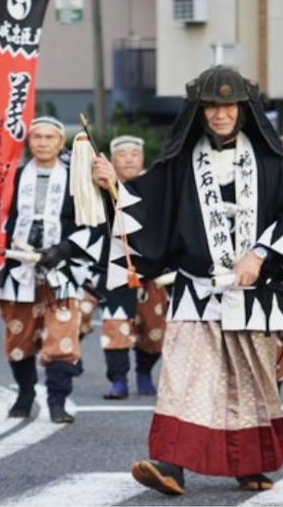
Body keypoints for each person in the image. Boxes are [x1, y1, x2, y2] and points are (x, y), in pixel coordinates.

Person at [95, 66, 283, 495]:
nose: (220, 114)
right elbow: (145, 208)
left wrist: (259, 254)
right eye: (211, 107)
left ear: (244, 108)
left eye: (229, 105)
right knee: (184, 376)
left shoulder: (278, 162)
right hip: (197, 289)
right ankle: (171, 465)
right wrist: (112, 187)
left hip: (256, 290)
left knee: (251, 380)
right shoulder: (179, 162)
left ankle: (250, 464)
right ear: (198, 112)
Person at [0, 116, 106, 423]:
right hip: (18, 264)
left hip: (62, 266)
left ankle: (57, 400)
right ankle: (25, 393)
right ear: (29, 142)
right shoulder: (10, 176)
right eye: (36, 137)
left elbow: (93, 221)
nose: (42, 143)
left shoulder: (77, 178)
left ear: (60, 142)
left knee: (62, 335)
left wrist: (64, 249)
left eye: (49, 137)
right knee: (18, 336)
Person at [98, 135, 168, 399]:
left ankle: (144, 373)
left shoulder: (156, 187)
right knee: (115, 323)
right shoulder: (100, 187)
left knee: (153, 326)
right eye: (122, 154)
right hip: (115, 265)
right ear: (112, 160)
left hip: (152, 266)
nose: (128, 158)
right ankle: (118, 379)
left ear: (142, 158)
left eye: (134, 153)